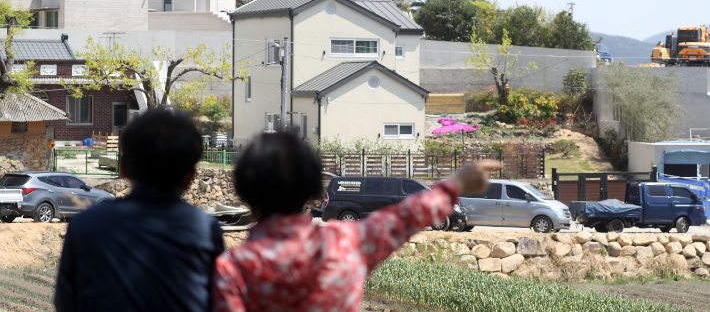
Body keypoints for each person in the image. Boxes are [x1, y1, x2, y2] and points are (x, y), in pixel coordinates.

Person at [213, 132, 499, 312]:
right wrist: (455, 184)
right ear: (311, 189)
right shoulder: (346, 243)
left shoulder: (232, 272)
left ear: (243, 192)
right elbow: (405, 217)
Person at [55, 109, 224, 312]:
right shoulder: (205, 229)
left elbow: (66, 304)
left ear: (122, 167)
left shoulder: (84, 226)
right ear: (190, 177)